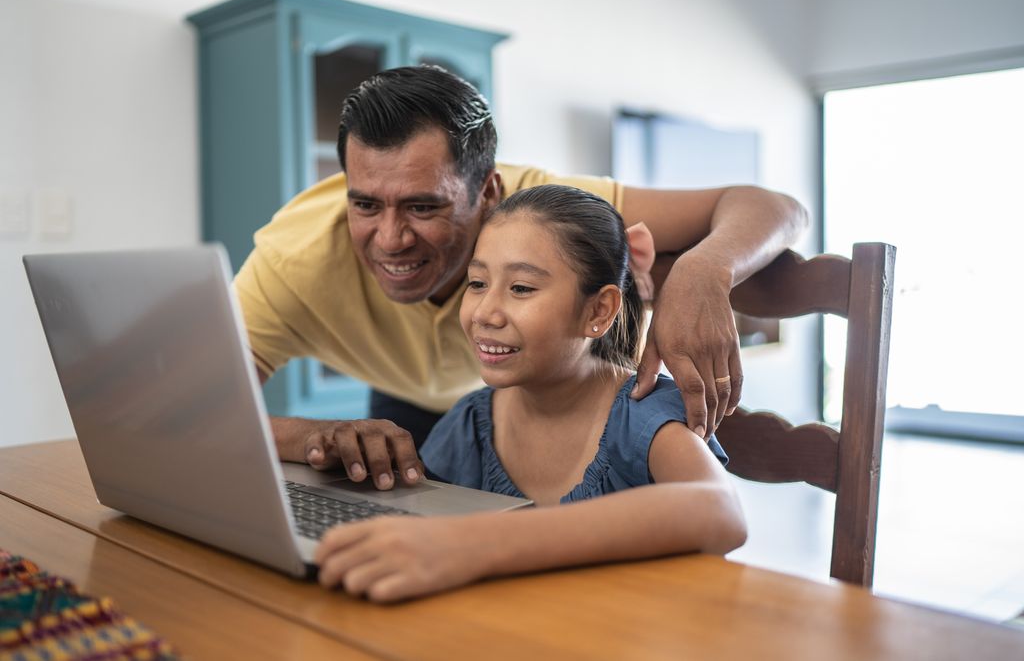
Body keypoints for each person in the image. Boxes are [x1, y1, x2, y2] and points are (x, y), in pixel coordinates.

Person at [234, 65, 808, 490]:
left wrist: (700, 272)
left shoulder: (541, 213)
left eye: (423, 207)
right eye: (364, 205)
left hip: (547, 400)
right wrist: (315, 435)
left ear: (490, 194)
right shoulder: (293, 261)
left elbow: (778, 208)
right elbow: (190, 415)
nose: (390, 239)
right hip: (432, 414)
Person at [314, 184, 747, 602]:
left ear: (598, 311)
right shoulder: (471, 423)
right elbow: (420, 523)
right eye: (477, 283)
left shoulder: (642, 417)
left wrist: (476, 543)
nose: (484, 312)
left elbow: (721, 511)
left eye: (521, 288)